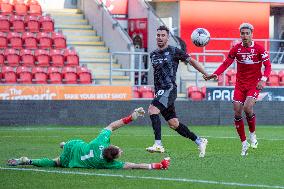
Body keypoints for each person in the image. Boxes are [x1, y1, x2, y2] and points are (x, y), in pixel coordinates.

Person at [7, 107, 170, 170]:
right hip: (73, 161)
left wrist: (131, 117)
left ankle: (64, 145)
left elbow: (112, 126)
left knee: (70, 146)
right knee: (55, 162)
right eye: (120, 151)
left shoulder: (101, 141)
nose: (121, 150)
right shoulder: (106, 164)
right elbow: (133, 165)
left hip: (74, 146)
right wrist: (156, 165)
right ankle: (28, 161)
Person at [204, 23, 271, 156]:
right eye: (242, 33)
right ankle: (244, 143)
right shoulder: (236, 49)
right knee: (237, 112)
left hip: (254, 84)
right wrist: (216, 73)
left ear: (252, 34)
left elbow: (268, 66)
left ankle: (252, 135)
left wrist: (263, 80)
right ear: (240, 34)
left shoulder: (259, 49)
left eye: (247, 33)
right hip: (240, 84)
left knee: (247, 108)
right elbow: (226, 63)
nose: (245, 36)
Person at [146, 25, 209, 158]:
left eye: (163, 35)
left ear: (168, 38)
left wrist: (205, 73)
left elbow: (191, 61)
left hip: (169, 88)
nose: (160, 38)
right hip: (160, 92)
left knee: (152, 110)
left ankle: (158, 144)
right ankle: (199, 141)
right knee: (174, 124)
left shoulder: (174, 51)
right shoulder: (153, 55)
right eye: (158, 35)